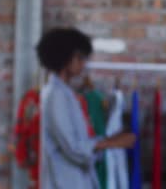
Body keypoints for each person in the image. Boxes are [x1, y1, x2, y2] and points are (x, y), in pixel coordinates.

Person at [37, 27, 136, 189]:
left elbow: (79, 143)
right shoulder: (56, 96)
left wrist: (108, 141)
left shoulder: (66, 93)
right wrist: (110, 143)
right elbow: (73, 147)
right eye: (79, 58)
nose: (83, 64)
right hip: (64, 182)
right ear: (64, 58)